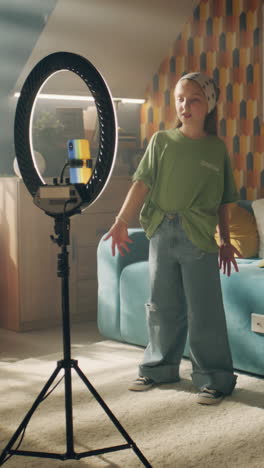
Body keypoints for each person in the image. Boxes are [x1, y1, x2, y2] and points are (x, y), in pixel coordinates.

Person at [104, 72, 241, 405]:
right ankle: (158, 368)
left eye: (193, 99)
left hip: (199, 238)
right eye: (180, 98)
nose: (185, 105)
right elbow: (141, 183)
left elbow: (223, 201)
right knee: (162, 307)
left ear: (208, 104)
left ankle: (215, 379)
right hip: (162, 233)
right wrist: (121, 220)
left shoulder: (216, 148)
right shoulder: (161, 142)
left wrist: (224, 241)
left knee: (204, 310)